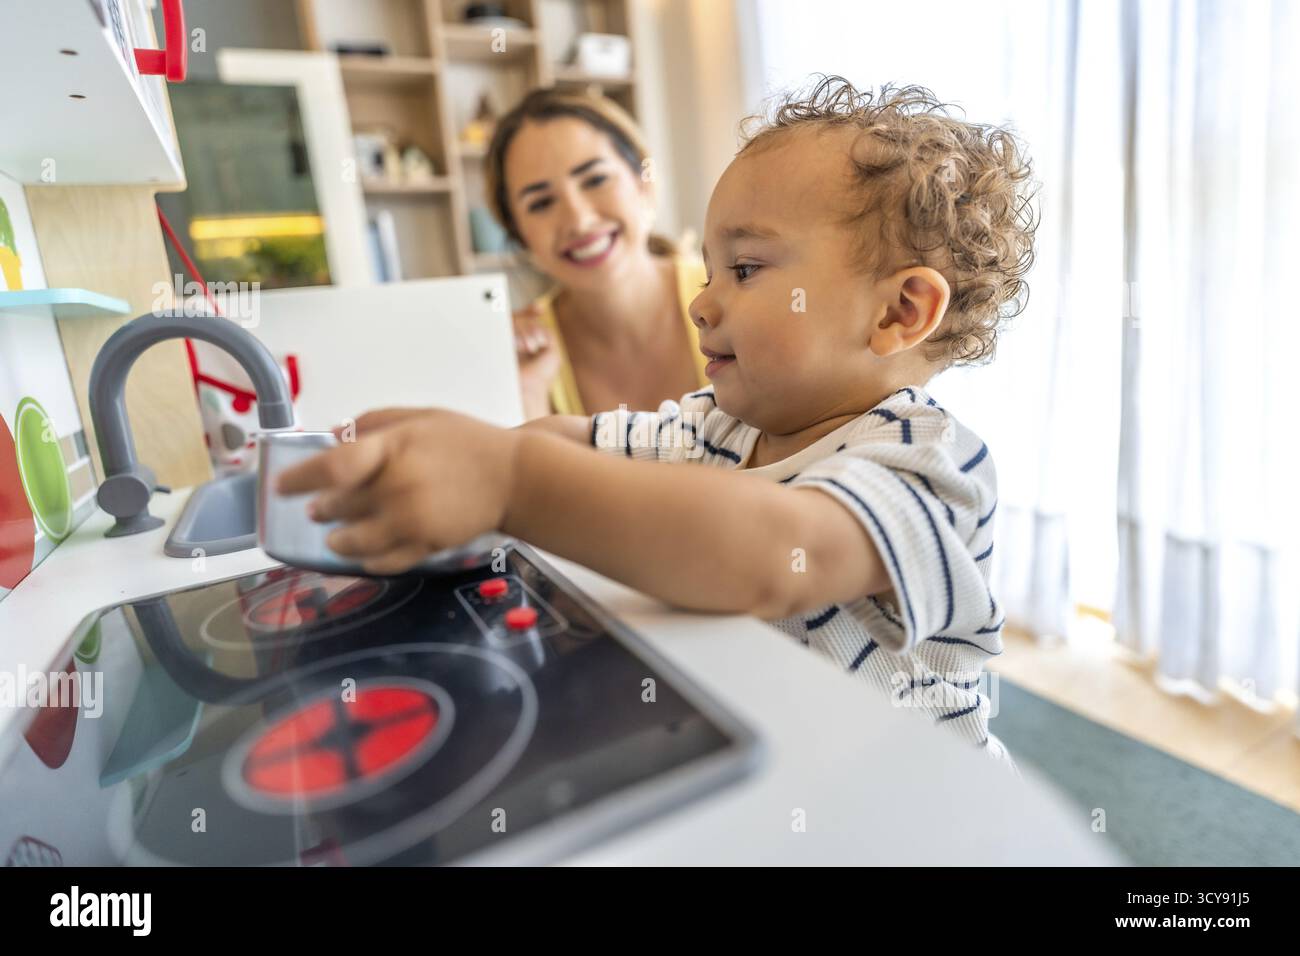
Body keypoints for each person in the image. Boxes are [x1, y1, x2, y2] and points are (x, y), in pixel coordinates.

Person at [279, 78, 1037, 758]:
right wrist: (452, 453)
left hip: (909, 815)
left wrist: (509, 480)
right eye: (709, 272)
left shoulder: (929, 465)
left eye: (744, 270)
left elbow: (774, 554)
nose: (704, 301)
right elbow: (579, 439)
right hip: (777, 763)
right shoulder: (719, 425)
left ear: (900, 311)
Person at [484, 88, 709, 418]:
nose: (579, 220)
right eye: (541, 202)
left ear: (643, 182)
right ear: (519, 235)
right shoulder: (522, 357)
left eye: (595, 179)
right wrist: (527, 396)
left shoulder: (732, 292)